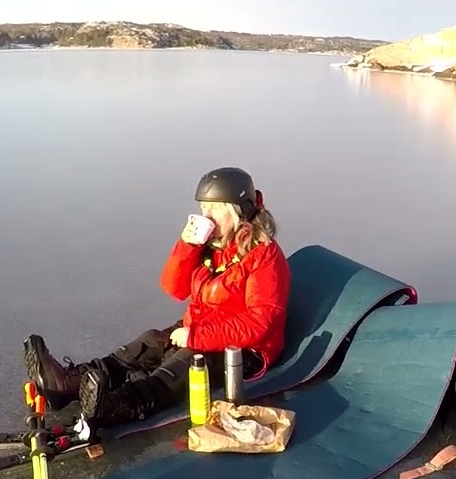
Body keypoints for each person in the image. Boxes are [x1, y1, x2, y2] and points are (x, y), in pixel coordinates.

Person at [23, 166, 291, 428]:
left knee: (183, 365)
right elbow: (174, 288)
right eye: (203, 207)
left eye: (216, 208)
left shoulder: (264, 255)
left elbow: (260, 322)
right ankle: (68, 384)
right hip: (200, 328)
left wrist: (196, 337)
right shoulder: (213, 246)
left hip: (244, 351)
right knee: (150, 342)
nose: (206, 216)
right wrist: (187, 246)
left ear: (239, 210)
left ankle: (115, 406)